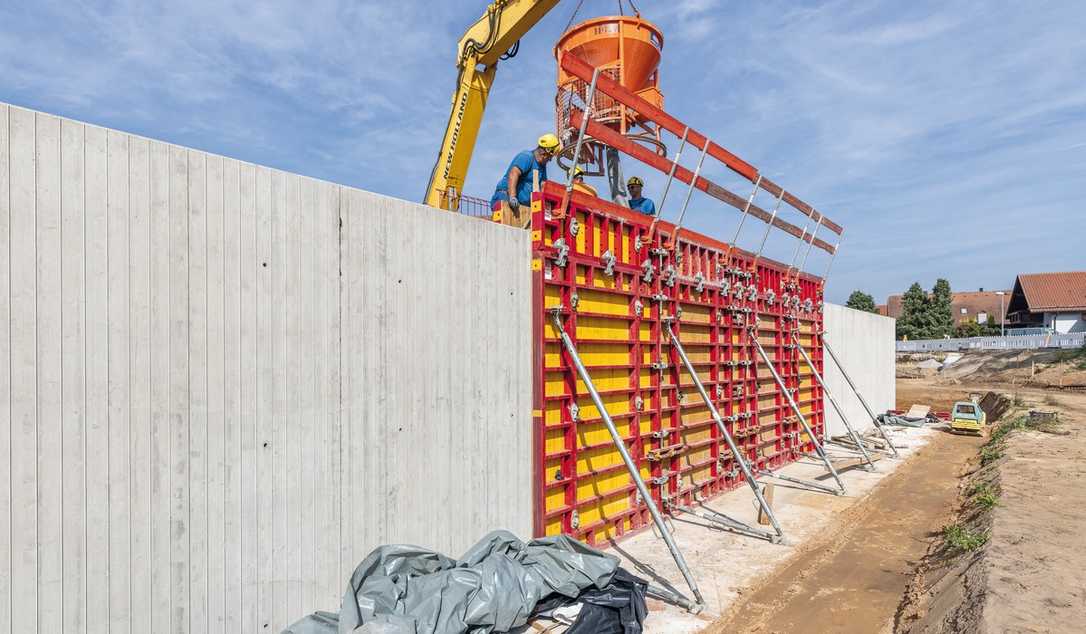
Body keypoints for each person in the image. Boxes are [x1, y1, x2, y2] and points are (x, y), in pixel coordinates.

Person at [490, 134, 562, 216]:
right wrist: (512, 197)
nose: (550, 160)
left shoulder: (542, 167)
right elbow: (514, 173)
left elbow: (542, 187)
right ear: (545, 152)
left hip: (522, 206)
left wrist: (549, 210)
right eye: (550, 157)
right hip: (505, 197)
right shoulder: (527, 157)